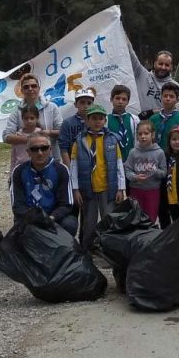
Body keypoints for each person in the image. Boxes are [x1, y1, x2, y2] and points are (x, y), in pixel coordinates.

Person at [70, 104, 126, 252]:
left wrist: (121, 188)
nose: (97, 122)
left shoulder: (112, 139)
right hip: (88, 190)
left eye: (101, 118)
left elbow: (119, 164)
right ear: (87, 121)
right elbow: (74, 166)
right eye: (94, 118)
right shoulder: (80, 140)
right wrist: (75, 189)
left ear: (105, 121)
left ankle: (109, 250)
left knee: (109, 220)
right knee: (89, 223)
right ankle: (87, 250)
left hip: (108, 189)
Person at [10, 133, 78, 236]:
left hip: (53, 216)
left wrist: (51, 218)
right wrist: (33, 219)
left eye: (44, 148)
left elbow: (66, 204)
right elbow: (17, 205)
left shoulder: (61, 170)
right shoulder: (19, 171)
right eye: (34, 149)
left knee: (70, 223)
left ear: (50, 150)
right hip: (28, 218)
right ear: (28, 152)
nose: (40, 153)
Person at [3, 73, 63, 159]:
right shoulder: (16, 112)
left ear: (39, 88)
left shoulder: (52, 108)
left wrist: (49, 133)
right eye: (26, 87)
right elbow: (6, 137)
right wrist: (31, 140)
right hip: (26, 161)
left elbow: (62, 131)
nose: (30, 89)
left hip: (51, 159)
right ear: (22, 90)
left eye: (33, 86)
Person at [124, 121, 167, 224]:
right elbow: (127, 171)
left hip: (152, 191)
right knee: (136, 218)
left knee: (151, 218)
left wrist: (155, 171)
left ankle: (149, 239)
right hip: (136, 190)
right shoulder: (133, 152)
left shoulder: (159, 152)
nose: (143, 136)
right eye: (140, 134)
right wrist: (135, 177)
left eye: (146, 133)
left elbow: (164, 172)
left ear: (153, 135)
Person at [130, 49, 179, 119]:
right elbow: (131, 54)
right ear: (154, 63)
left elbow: (175, 109)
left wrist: (151, 112)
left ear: (171, 67)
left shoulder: (175, 85)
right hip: (141, 125)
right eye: (160, 64)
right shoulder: (142, 74)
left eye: (167, 65)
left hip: (161, 124)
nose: (163, 67)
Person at [150, 82, 179, 152]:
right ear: (161, 97)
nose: (168, 99)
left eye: (171, 96)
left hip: (176, 158)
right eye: (165, 96)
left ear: (177, 100)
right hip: (155, 158)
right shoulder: (153, 119)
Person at [58, 88, 95, 167]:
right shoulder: (67, 123)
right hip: (75, 165)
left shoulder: (97, 122)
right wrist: (69, 169)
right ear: (75, 104)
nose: (86, 106)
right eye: (82, 102)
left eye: (89, 103)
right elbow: (63, 149)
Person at [108, 84, 140, 162]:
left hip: (131, 162)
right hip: (112, 162)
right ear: (111, 99)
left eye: (124, 99)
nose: (120, 101)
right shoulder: (105, 120)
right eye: (117, 98)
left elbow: (138, 142)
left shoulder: (134, 119)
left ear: (128, 102)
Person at [10, 105, 42, 173]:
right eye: (26, 118)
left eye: (32, 118)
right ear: (22, 119)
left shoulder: (41, 135)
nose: (29, 121)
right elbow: (13, 157)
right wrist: (12, 174)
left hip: (38, 170)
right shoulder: (17, 136)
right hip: (21, 169)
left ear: (37, 118)